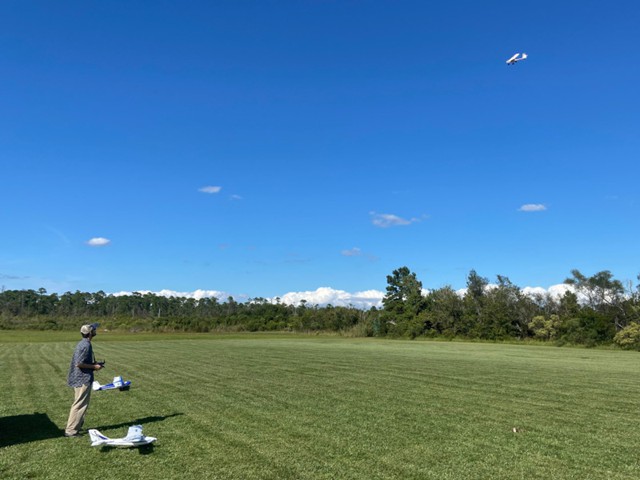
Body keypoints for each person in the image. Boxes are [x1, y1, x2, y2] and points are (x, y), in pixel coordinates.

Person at [64, 323, 103, 437]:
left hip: (80, 378)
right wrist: (94, 367)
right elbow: (79, 363)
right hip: (82, 379)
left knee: (80, 403)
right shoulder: (85, 345)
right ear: (90, 333)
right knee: (79, 404)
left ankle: (76, 426)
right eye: (94, 329)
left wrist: (94, 364)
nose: (95, 331)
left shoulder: (83, 343)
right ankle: (71, 430)